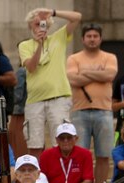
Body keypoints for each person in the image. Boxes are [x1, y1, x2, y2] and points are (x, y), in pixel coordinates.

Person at [19, 7, 83, 157]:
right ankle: (37, 178)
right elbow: (31, 66)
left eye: (44, 24)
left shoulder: (58, 37)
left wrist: (53, 12)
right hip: (35, 101)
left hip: (59, 98)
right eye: (36, 24)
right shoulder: (24, 45)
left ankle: (59, 178)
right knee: (34, 145)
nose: (41, 28)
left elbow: (77, 17)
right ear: (30, 26)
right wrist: (39, 45)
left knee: (61, 142)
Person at [67, 22, 117, 183]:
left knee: (104, 155)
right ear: (82, 39)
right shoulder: (74, 58)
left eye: (95, 36)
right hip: (79, 112)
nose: (92, 39)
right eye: (89, 36)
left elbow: (110, 75)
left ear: (101, 38)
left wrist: (86, 73)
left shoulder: (110, 57)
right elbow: (73, 79)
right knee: (81, 155)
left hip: (104, 111)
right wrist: (98, 75)